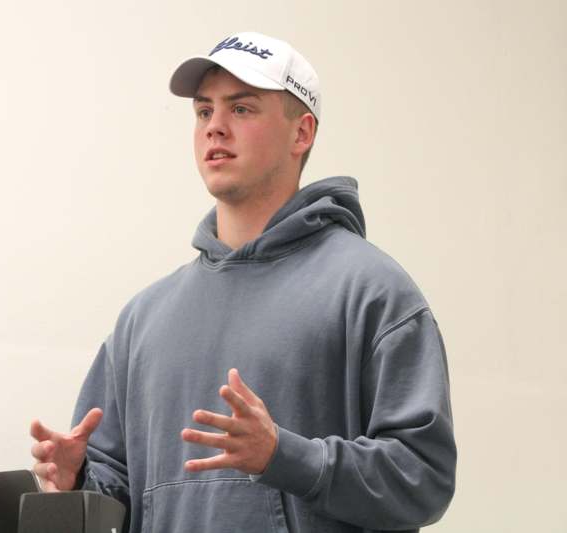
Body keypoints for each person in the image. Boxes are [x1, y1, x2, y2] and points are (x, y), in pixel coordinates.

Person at [30, 31, 456, 533]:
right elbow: (115, 492)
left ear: (302, 133)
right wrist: (77, 480)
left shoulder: (372, 291)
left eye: (242, 109)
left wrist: (285, 456)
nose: (215, 128)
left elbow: (423, 480)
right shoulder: (143, 318)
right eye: (204, 111)